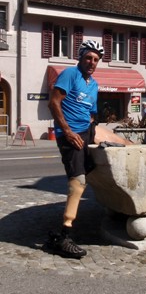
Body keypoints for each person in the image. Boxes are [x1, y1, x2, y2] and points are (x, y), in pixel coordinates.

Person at [46, 40, 104, 259]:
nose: (92, 62)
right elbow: (54, 103)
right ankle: (64, 236)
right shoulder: (70, 74)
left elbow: (92, 112)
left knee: (93, 170)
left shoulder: (94, 84)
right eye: (88, 57)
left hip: (86, 132)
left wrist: (93, 129)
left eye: (96, 59)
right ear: (80, 57)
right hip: (70, 135)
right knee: (77, 181)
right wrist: (68, 132)